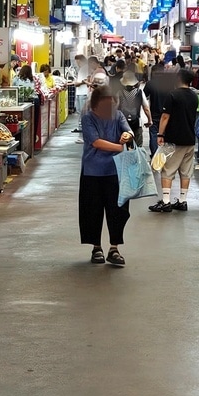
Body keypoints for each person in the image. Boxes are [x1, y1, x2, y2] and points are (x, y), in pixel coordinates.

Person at [79, 83, 133, 266]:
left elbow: (128, 130)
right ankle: (96, 247)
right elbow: (95, 142)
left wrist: (128, 136)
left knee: (118, 211)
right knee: (92, 211)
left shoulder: (117, 115)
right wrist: (119, 146)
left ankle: (114, 248)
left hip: (115, 172)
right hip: (92, 172)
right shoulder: (88, 118)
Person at [151, 67, 199, 213]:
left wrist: (160, 134)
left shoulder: (172, 95)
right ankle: (182, 201)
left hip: (173, 140)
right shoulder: (194, 96)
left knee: (167, 170)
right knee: (185, 172)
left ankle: (165, 202)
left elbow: (165, 116)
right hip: (190, 139)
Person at [116, 69, 150, 148]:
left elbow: (115, 107)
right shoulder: (140, 92)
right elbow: (146, 108)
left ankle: (126, 159)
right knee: (138, 145)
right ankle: (137, 159)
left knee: (124, 145)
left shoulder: (119, 92)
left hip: (123, 123)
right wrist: (149, 120)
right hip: (137, 122)